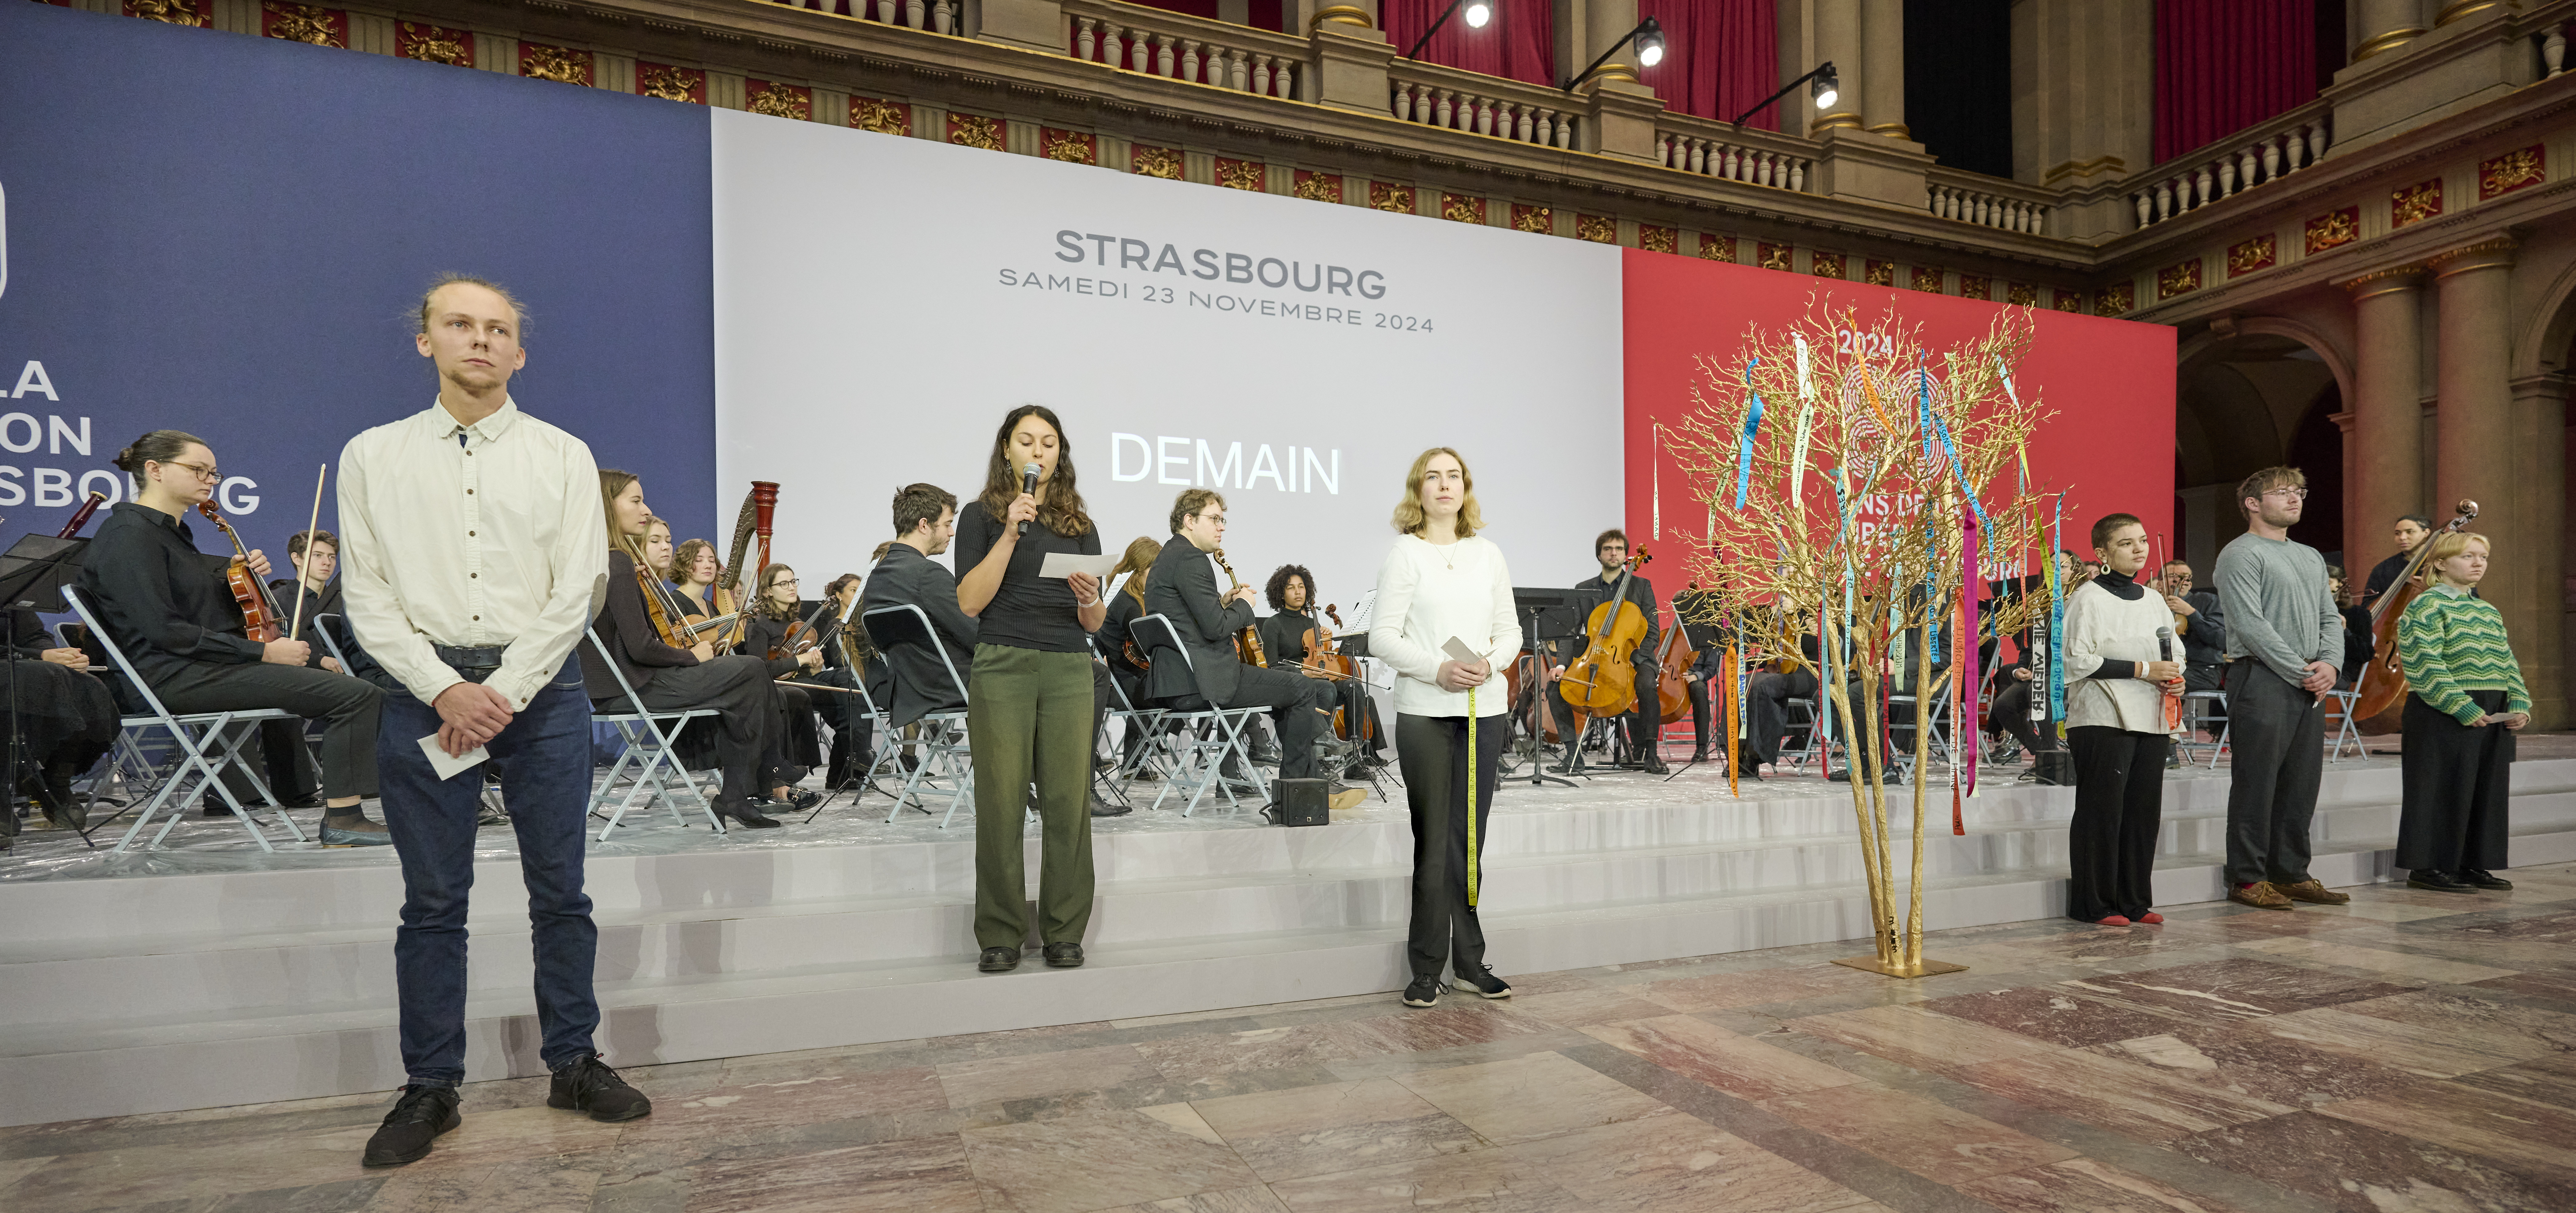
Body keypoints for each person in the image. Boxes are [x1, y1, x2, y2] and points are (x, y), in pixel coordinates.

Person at [342, 276, 646, 1168]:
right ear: (425, 341)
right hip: (423, 690)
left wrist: (502, 688)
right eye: (459, 325)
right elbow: (367, 591)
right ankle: (431, 1084)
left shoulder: (561, 454)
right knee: (433, 903)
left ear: (519, 351)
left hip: (540, 691)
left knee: (563, 893)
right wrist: (443, 688)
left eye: (498, 329)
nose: (479, 340)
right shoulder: (373, 454)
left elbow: (579, 585)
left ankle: (574, 1061)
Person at [75, 430, 388, 845]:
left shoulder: (171, 534)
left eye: (214, 473)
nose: (209, 480)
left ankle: (347, 813)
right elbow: (165, 630)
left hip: (194, 668)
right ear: (155, 470)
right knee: (357, 695)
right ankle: (345, 818)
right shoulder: (129, 535)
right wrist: (263, 652)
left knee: (359, 691)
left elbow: (202, 615)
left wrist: (231, 579)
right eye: (197, 469)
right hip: (168, 676)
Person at [954, 407, 1109, 974]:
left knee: (1069, 803)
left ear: (1059, 455)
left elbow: (1094, 622)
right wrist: (1009, 532)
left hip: (1070, 666)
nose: (1038, 451)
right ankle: (999, 932)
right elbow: (970, 602)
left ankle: (1064, 931)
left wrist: (1090, 594)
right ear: (1006, 452)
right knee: (1000, 801)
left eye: (1049, 443)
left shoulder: (1078, 524)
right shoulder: (979, 517)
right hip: (1003, 663)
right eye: (1027, 441)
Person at [1369, 447, 1521, 1008]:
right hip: (1426, 713)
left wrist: (1492, 662)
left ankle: (1470, 963)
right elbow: (1382, 637)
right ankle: (1427, 966)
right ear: (1418, 490)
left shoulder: (1489, 554)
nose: (1444, 485)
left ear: (1465, 488)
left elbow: (1509, 631)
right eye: (1432, 477)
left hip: (1485, 708)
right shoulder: (1405, 555)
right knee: (1434, 842)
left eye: (1453, 476)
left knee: (1469, 843)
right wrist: (1437, 668)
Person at [585, 470, 808, 828]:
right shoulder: (618, 563)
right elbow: (641, 648)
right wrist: (692, 656)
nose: (646, 508)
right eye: (635, 500)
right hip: (634, 688)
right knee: (750, 669)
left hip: (619, 688)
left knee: (745, 682)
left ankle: (744, 787)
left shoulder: (603, 558)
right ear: (608, 505)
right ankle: (759, 772)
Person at [1144, 489, 1361, 817]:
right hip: (1206, 680)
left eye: (1222, 519)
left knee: (1292, 687)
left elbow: (1192, 620)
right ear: (1189, 521)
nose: (1221, 527)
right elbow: (1217, 629)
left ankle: (1310, 781)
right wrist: (1245, 604)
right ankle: (1301, 789)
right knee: (1303, 688)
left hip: (1180, 680)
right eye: (1214, 519)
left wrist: (1224, 603)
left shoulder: (1168, 558)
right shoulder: (1191, 559)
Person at [2212, 467, 2350, 912]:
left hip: (2307, 678)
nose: (2295, 499)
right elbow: (2251, 625)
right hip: (2262, 676)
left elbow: (2330, 616)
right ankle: (2248, 877)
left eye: (2300, 492)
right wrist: (2302, 670)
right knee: (2257, 781)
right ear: (2253, 503)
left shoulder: (2309, 555)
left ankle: (2291, 872)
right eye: (2283, 492)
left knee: (2300, 782)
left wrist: (2330, 663)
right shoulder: (2241, 553)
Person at [2061, 514, 2182, 926]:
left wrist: (2174, 676)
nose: (2139, 548)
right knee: (2102, 811)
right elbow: (2076, 660)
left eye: (2143, 540)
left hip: (2151, 715)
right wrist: (2145, 670)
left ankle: (2135, 901)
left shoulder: (2153, 599)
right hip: (2102, 716)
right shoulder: (2088, 598)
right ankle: (2094, 904)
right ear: (2102, 553)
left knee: (2142, 811)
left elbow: (2175, 652)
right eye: (2127, 542)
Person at [2394, 532, 2528, 893]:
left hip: (2491, 706)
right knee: (2440, 788)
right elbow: (2423, 662)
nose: (2478, 563)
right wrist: (2460, 705)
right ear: (2439, 562)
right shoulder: (2426, 605)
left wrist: (2518, 702)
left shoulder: (2486, 609)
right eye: (2468, 556)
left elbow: (2506, 660)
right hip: (2443, 709)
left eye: (2482, 557)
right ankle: (2428, 866)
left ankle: (2472, 862)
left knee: (2485, 789)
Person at [1549, 529, 1667, 773]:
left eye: (1619, 549)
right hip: (1593, 656)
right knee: (1555, 687)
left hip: (1633, 657)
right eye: (1608, 549)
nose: (1614, 553)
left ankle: (1651, 754)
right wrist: (1561, 665)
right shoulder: (1583, 589)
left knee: (1646, 685)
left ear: (1626, 555)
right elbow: (1570, 633)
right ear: (1599, 555)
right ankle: (1573, 755)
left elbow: (1652, 630)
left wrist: (1630, 658)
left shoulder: (1642, 586)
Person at [860, 483, 977, 728]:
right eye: (947, 524)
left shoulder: (877, 577)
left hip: (906, 689)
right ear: (924, 525)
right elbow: (976, 635)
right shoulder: (927, 574)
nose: (952, 532)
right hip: (946, 687)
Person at [1259, 563, 1387, 771]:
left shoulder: (1312, 625)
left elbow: (1323, 659)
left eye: (1301, 586)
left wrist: (1325, 642)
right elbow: (1271, 665)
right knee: (1326, 688)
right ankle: (1320, 749)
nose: (1298, 591)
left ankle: (1355, 759)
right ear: (1280, 594)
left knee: (1354, 687)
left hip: (1318, 684)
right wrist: (1304, 671)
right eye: (1291, 588)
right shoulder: (1273, 625)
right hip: (1293, 688)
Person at [5, 607, 116, 833]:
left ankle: (54, 780)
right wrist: (37, 656)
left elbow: (35, 636)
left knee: (86, 684)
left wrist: (63, 657)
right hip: (10, 664)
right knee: (28, 679)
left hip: (17, 663)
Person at [739, 562, 830, 775]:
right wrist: (800, 660)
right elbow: (760, 667)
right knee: (798, 697)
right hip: (773, 686)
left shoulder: (797, 623)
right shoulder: (759, 623)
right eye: (784, 583)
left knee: (845, 694)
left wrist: (814, 665)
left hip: (798, 681)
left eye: (793, 581)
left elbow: (805, 668)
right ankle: (785, 769)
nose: (792, 587)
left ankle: (846, 767)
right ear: (767, 591)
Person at [1098, 536, 1163, 775]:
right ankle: (1134, 760)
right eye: (1153, 571)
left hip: (1125, 679)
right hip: (1123, 688)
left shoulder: (1124, 597)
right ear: (1137, 571)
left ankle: (1133, 761)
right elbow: (1148, 647)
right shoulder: (1129, 604)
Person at [2362, 514, 2434, 609]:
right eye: (2398, 533)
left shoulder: (2440, 564)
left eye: (2410, 532)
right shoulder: (2383, 569)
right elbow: (2367, 605)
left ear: (2426, 533)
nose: (2402, 538)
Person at [2328, 566, 2374, 687]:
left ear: (2341, 584)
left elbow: (2366, 653)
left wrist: (2345, 631)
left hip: (2342, 673)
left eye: (2328, 583)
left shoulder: (2359, 614)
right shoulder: (2312, 612)